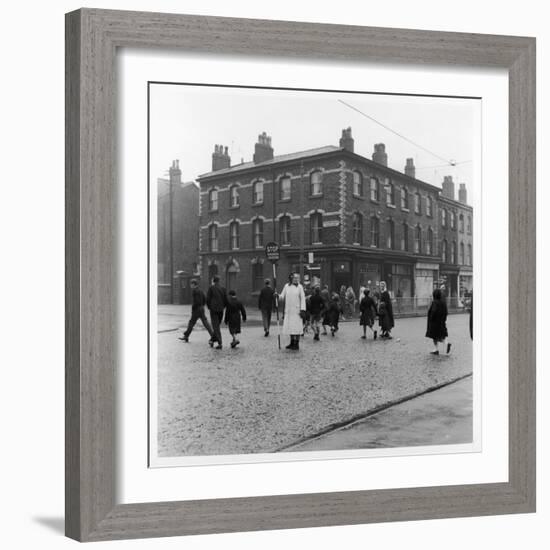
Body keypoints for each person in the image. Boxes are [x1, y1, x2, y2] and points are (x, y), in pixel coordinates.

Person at [279, 272, 306, 350]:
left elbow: (303, 299)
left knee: (296, 328)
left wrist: (303, 309)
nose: (296, 279)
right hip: (289, 311)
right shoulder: (286, 286)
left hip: (297, 311)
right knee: (290, 327)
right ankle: (291, 342)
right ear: (291, 279)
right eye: (294, 278)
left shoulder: (300, 287)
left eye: (297, 278)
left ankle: (296, 343)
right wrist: (277, 296)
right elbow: (282, 296)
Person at [426, 288, 451, 355]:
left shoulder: (434, 302)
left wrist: (431, 319)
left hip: (434, 323)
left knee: (434, 336)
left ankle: (436, 349)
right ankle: (447, 343)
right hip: (442, 322)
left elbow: (433, 312)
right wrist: (444, 320)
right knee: (442, 335)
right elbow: (446, 312)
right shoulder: (443, 303)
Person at [206, 275, 228, 349]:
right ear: (219, 281)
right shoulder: (223, 289)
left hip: (214, 310)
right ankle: (212, 340)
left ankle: (220, 343)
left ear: (213, 281)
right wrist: (223, 307)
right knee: (217, 326)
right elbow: (226, 300)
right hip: (221, 310)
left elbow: (208, 299)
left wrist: (209, 307)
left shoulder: (211, 288)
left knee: (216, 327)